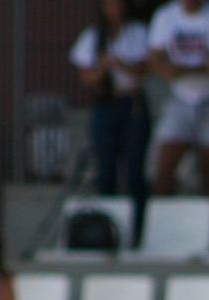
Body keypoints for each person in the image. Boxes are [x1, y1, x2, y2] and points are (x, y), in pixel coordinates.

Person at [71, 0, 154, 226]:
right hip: (105, 103)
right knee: (106, 169)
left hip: (132, 103)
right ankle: (107, 227)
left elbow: (145, 69)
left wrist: (118, 63)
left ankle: (138, 227)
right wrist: (102, 68)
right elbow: (85, 76)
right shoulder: (93, 36)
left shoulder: (138, 33)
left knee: (134, 170)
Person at [148, 0, 209, 203]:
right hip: (180, 97)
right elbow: (155, 60)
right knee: (165, 167)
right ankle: (163, 213)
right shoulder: (166, 16)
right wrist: (187, 70)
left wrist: (180, 70)